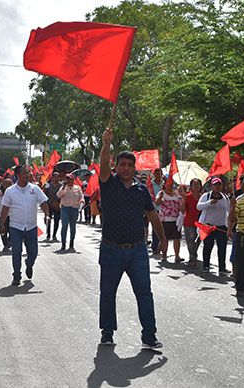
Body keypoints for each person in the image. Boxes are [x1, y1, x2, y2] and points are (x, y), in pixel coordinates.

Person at [97, 127, 166, 349]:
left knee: (144, 293)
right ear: (116, 167)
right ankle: (107, 333)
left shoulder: (141, 190)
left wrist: (162, 239)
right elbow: (104, 165)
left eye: (129, 165)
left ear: (134, 168)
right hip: (111, 250)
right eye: (122, 165)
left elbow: (153, 215)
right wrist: (106, 144)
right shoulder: (108, 184)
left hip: (137, 251)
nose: (126, 168)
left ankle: (149, 335)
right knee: (108, 293)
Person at [0, 166, 49, 286]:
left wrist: (47, 214)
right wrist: (2, 225)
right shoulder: (10, 191)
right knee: (16, 251)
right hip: (15, 226)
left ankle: (29, 263)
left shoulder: (35, 189)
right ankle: (16, 275)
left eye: (27, 173)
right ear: (17, 175)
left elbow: (43, 202)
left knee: (34, 252)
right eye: (23, 173)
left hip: (31, 227)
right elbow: (5, 208)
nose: (27, 175)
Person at [197, 177, 230, 274]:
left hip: (221, 226)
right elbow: (198, 207)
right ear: (212, 186)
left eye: (219, 185)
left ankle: (222, 268)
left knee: (222, 247)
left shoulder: (225, 198)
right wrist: (209, 203)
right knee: (208, 246)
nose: (217, 187)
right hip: (208, 226)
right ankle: (206, 266)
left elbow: (228, 211)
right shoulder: (206, 196)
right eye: (215, 185)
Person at [155, 181, 183, 262]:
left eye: (171, 184)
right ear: (165, 185)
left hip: (176, 219)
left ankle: (177, 256)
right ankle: (164, 256)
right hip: (165, 219)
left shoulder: (177, 193)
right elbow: (157, 203)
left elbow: (181, 203)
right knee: (165, 238)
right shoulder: (161, 193)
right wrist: (160, 197)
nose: (170, 185)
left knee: (177, 238)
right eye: (168, 184)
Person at [57, 173, 84, 252]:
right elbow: (58, 195)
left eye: (70, 179)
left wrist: (81, 205)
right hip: (65, 208)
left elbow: (81, 198)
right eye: (67, 179)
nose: (68, 180)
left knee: (73, 227)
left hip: (74, 209)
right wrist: (64, 187)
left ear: (73, 180)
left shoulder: (77, 188)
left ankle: (71, 242)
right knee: (64, 226)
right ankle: (63, 243)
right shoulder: (63, 188)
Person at [181, 178, 202, 268]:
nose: (196, 186)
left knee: (198, 241)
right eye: (194, 184)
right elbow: (182, 210)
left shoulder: (203, 197)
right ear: (191, 186)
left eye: (198, 184)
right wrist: (184, 198)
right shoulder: (187, 196)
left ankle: (193, 254)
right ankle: (193, 258)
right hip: (189, 222)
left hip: (201, 223)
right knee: (190, 241)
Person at [43, 172, 62, 242]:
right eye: (55, 177)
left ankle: (54, 234)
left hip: (57, 206)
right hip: (49, 205)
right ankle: (48, 234)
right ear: (52, 178)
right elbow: (44, 195)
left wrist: (58, 202)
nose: (57, 178)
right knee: (49, 220)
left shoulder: (61, 186)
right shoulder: (48, 185)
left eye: (58, 177)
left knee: (56, 220)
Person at [150, 168, 165, 254]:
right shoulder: (150, 184)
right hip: (153, 208)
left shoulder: (164, 184)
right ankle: (155, 246)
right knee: (155, 228)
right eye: (157, 173)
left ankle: (162, 245)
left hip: (163, 209)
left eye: (160, 173)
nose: (158, 175)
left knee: (163, 228)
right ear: (154, 174)